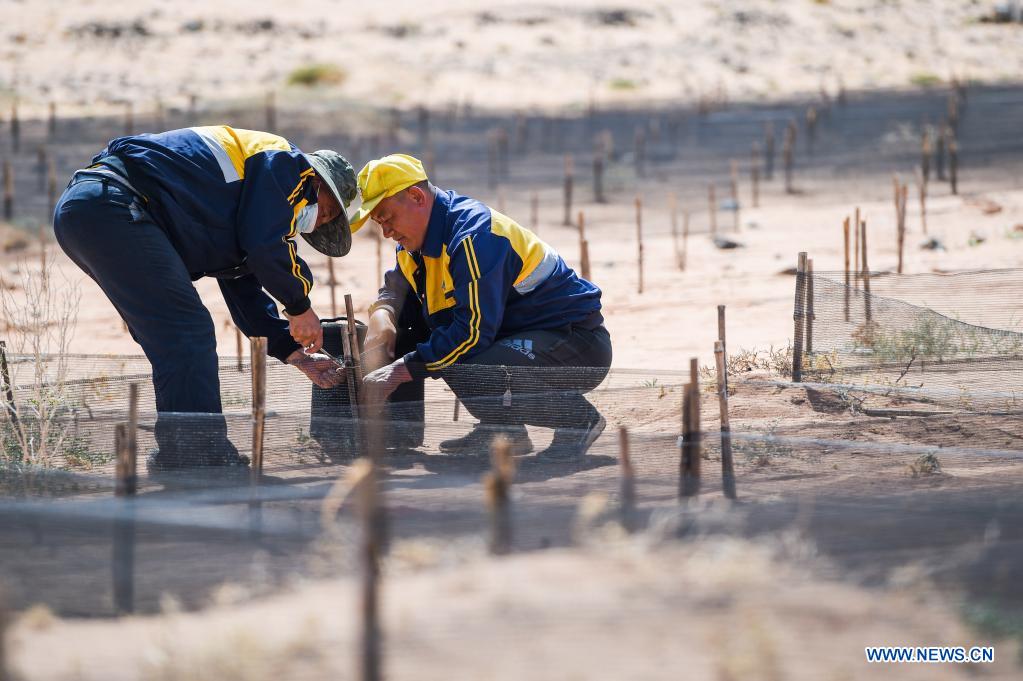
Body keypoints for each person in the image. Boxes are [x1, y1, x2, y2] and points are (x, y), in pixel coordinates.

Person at [53, 126, 356, 469]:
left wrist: (295, 353)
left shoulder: (247, 210)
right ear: (319, 183)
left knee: (175, 339)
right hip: (116, 206)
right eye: (328, 213)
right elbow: (265, 246)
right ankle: (200, 458)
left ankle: (180, 457)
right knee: (187, 332)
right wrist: (300, 307)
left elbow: (246, 291)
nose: (316, 224)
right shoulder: (288, 163)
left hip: (89, 211)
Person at [353, 154, 612, 459]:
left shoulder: (475, 237)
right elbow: (398, 289)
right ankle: (504, 431)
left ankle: (579, 420)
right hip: (517, 341)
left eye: (387, 218)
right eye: (378, 223)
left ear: (416, 196)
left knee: (465, 358)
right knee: (431, 342)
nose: (386, 232)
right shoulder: (415, 246)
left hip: (576, 345)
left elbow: (473, 333)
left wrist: (399, 371)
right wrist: (383, 312)